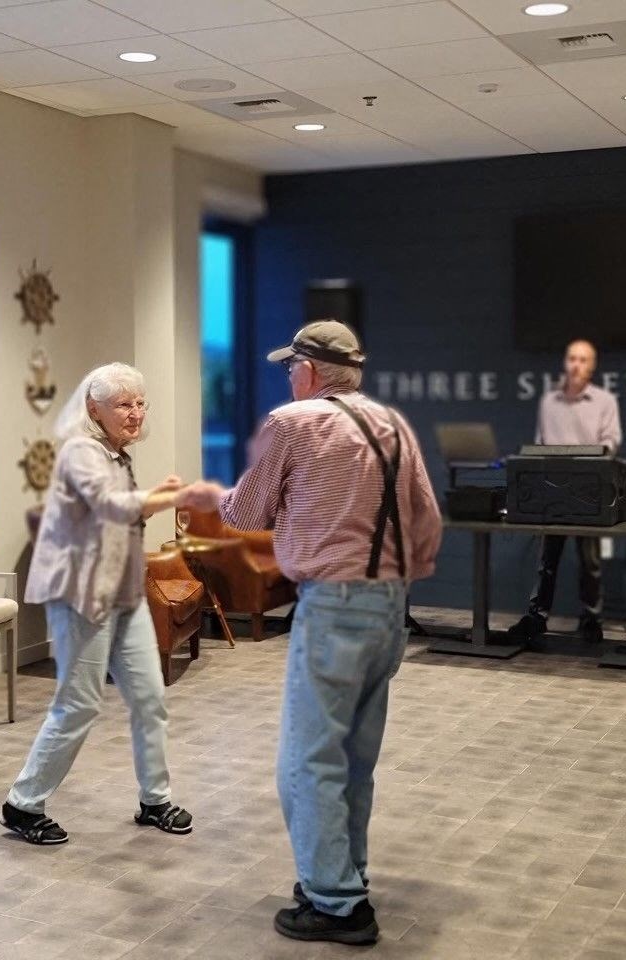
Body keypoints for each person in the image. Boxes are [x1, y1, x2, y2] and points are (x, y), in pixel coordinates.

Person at [177, 320, 442, 945]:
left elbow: (244, 514)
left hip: (334, 605)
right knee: (353, 757)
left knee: (306, 759)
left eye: (290, 367)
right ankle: (344, 873)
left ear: (312, 371)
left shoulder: (292, 423)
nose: (288, 377)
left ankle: (335, 901)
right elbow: (425, 518)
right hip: (389, 607)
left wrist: (221, 491)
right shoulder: (393, 426)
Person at [0, 362, 192, 845]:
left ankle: (155, 800)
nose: (135, 413)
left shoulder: (117, 454)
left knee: (150, 698)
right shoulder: (80, 454)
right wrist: (160, 498)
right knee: (80, 703)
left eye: (139, 403)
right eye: (123, 405)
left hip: (123, 597)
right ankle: (22, 804)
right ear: (94, 408)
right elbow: (110, 506)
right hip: (82, 598)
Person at [508, 339, 622, 645]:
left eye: (583, 360)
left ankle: (591, 621)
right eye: (572, 358)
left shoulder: (604, 402)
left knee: (591, 563)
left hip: (589, 497)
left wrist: (586, 458)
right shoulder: (549, 402)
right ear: (565, 362)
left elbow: (611, 441)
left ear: (592, 365)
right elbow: (540, 443)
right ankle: (537, 617)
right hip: (551, 496)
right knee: (546, 562)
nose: (576, 365)